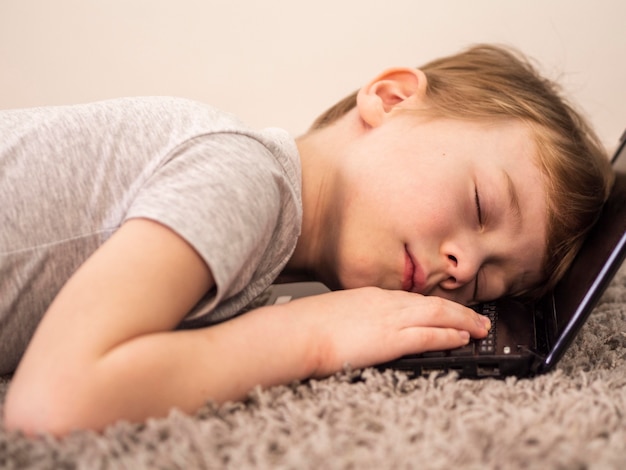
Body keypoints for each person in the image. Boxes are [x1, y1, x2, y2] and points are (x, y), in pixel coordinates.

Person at [1, 44, 614, 436]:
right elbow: (52, 403)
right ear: (392, 98)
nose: (461, 265)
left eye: (485, 280)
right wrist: (313, 335)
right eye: (480, 206)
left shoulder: (261, 251)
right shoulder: (244, 177)